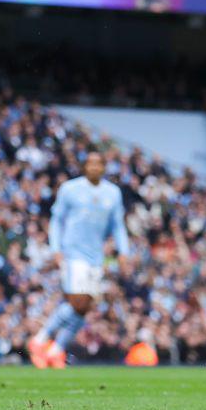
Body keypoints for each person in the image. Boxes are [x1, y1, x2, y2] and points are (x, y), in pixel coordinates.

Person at [28, 151, 130, 368]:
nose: (94, 168)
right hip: (73, 253)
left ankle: (55, 351)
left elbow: (118, 225)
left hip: (96, 257)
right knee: (79, 301)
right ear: (85, 167)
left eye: (98, 164)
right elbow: (56, 221)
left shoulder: (112, 193)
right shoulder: (70, 189)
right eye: (90, 164)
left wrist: (123, 252)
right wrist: (56, 249)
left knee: (85, 307)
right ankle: (40, 339)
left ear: (104, 167)